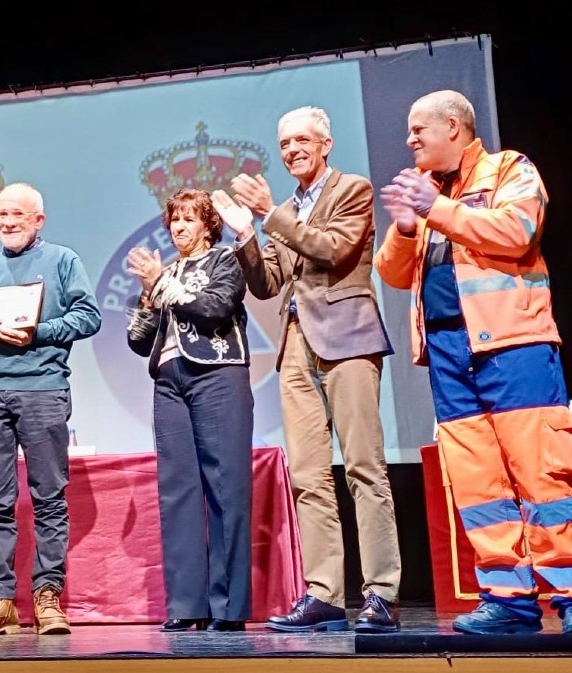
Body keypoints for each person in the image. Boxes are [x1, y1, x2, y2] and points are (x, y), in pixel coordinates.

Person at [373, 89, 572, 635]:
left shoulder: (509, 169)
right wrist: (409, 227)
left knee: (539, 471)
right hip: (449, 354)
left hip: (514, 344)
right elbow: (391, 271)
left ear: (453, 127)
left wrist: (437, 210)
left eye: (418, 130)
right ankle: (508, 597)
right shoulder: (426, 191)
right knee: (479, 484)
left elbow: (517, 232)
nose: (409, 141)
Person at [214, 105, 402, 634]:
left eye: (302, 141)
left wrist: (271, 212)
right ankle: (324, 593)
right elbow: (268, 283)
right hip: (296, 347)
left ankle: (382, 592)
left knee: (364, 467)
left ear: (325, 144)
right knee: (308, 478)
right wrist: (246, 234)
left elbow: (332, 250)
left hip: (348, 339)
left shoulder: (352, 190)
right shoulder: (289, 207)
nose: (292, 150)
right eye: (284, 144)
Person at [0, 182, 102, 636]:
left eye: (17, 215)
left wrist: (37, 331)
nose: (7, 222)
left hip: (43, 390)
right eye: (1, 215)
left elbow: (89, 316)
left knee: (48, 498)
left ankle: (47, 597)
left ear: (38, 219)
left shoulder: (62, 261)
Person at [125, 188, 254, 633]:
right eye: (174, 220)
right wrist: (147, 296)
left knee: (225, 487)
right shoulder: (168, 272)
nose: (179, 227)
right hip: (169, 380)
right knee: (177, 490)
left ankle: (228, 607)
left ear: (207, 225)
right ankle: (186, 602)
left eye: (188, 219)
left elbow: (215, 310)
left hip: (217, 375)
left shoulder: (224, 261)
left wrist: (164, 286)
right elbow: (139, 340)